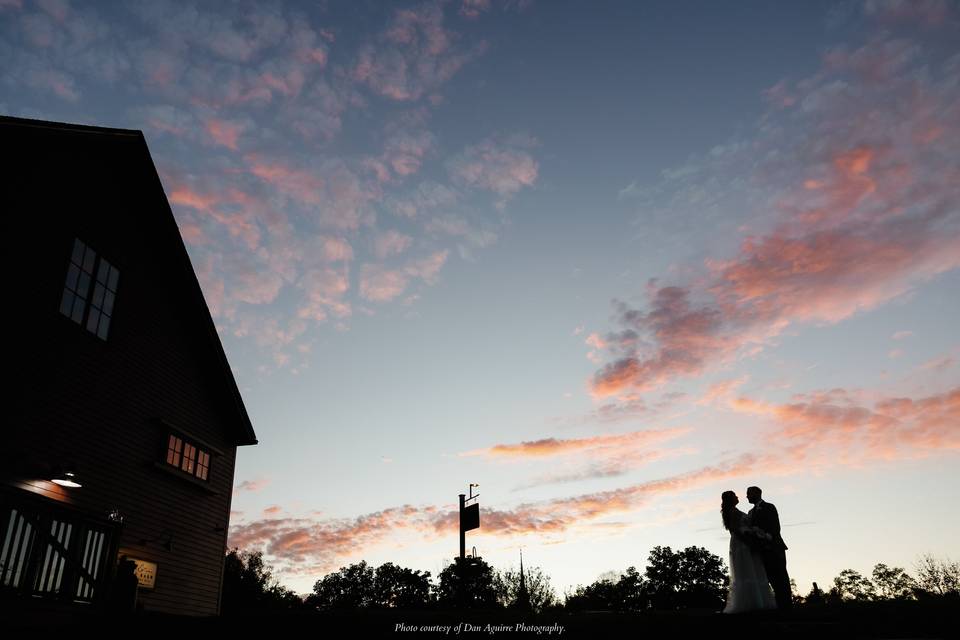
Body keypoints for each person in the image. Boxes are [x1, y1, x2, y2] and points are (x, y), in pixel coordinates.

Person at [721, 490, 777, 614]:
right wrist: (749, 541)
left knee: (753, 569)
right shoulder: (733, 512)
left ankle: (757, 602)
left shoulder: (734, 511)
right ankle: (749, 603)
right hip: (742, 543)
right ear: (730, 499)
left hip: (745, 541)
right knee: (747, 570)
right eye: (735, 496)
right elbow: (736, 530)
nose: (738, 497)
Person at [746, 486, 792, 610]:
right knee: (769, 578)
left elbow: (775, 526)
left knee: (781, 576)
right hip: (761, 550)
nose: (747, 496)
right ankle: (777, 605)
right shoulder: (750, 512)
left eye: (749, 494)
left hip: (775, 547)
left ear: (757, 493)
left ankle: (787, 606)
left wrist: (767, 536)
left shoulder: (769, 507)